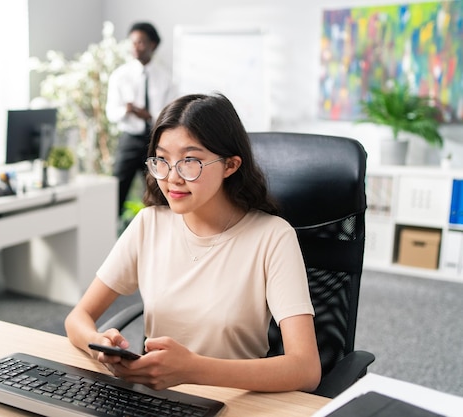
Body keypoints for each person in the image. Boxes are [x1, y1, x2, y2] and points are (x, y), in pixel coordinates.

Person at [65, 93, 321, 393]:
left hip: (235, 404)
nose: (172, 177)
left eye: (190, 161)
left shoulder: (273, 237)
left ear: (230, 165)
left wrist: (195, 370)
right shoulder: (150, 224)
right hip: (156, 400)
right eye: (162, 160)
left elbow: (305, 368)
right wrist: (99, 345)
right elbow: (77, 319)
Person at [106, 22, 175, 215]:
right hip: (129, 139)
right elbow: (111, 113)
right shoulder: (120, 76)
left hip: (154, 141)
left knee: (157, 189)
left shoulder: (165, 78)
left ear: (152, 45)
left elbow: (171, 115)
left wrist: (149, 116)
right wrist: (126, 110)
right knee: (117, 189)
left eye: (141, 43)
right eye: (133, 43)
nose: (136, 47)